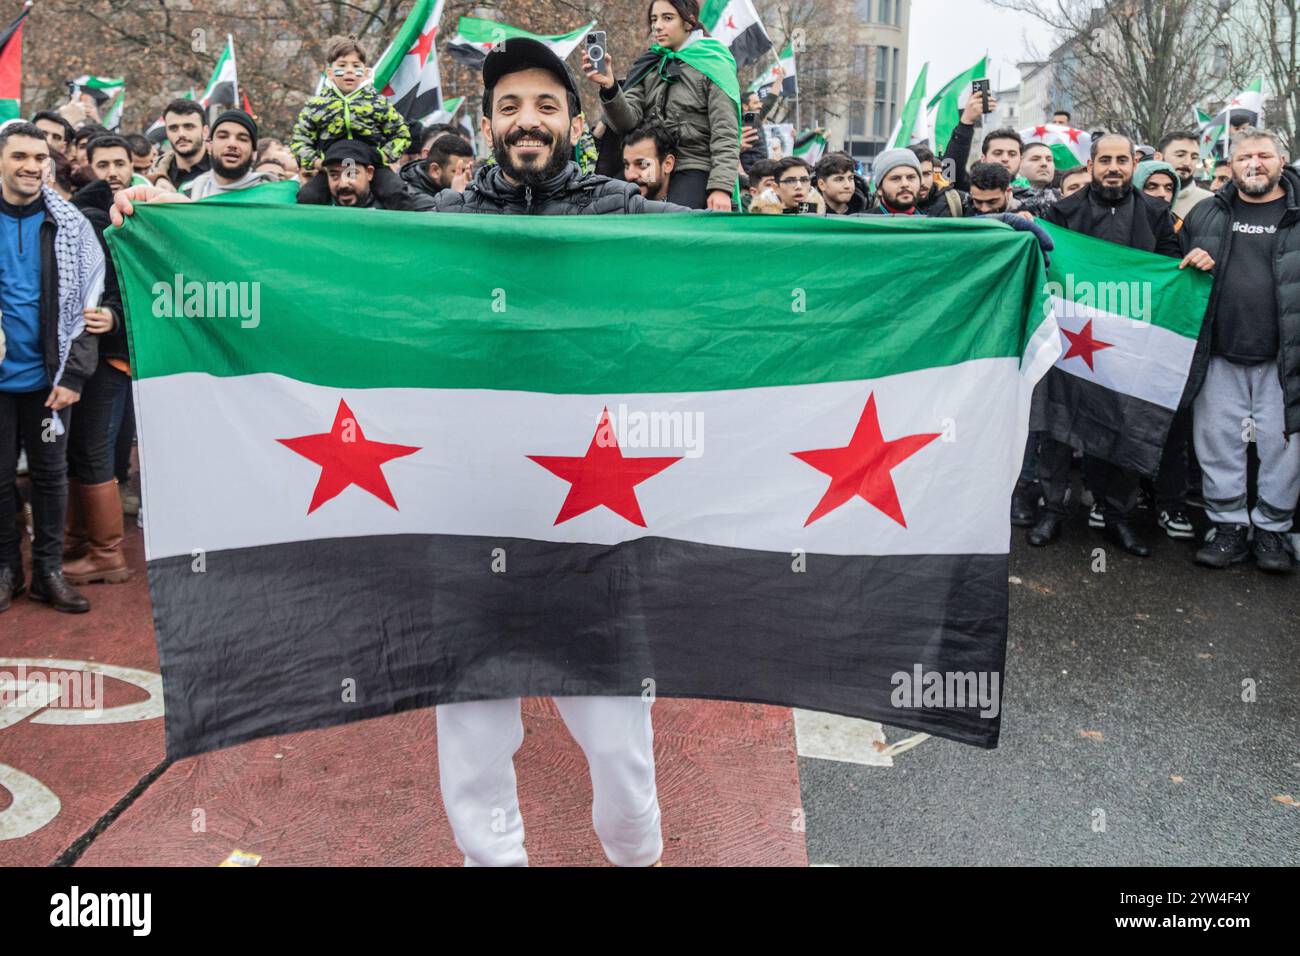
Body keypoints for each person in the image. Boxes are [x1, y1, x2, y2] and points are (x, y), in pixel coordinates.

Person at [1031, 133, 1182, 557]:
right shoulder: (1062, 212)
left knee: (1122, 425)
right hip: (1069, 338)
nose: (1113, 168)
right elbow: (1044, 263)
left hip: (1128, 341)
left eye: (1122, 160)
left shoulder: (1156, 214)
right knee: (1056, 425)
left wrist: (1196, 261)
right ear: (1092, 164)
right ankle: (1053, 510)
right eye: (1105, 161)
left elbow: (1173, 266)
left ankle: (1117, 517)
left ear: (1134, 164)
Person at [1181, 129, 1300, 572]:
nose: (1255, 163)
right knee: (1217, 443)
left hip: (1286, 358)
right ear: (1230, 165)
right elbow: (1172, 267)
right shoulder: (1205, 213)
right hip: (1218, 350)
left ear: (1281, 160)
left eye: (1264, 155)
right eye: (1245, 156)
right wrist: (1191, 259)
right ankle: (1228, 526)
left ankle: (1272, 530)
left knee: (1284, 446)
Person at [0, 123, 100, 614]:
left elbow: (89, 303)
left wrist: (75, 376)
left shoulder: (72, 225)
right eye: (20, 156)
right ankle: (6, 570)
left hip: (49, 380)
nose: (31, 166)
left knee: (50, 476)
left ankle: (48, 573)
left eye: (40, 157)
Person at [583, 0, 740, 210]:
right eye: (654, 19)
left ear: (689, 21)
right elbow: (627, 123)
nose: (657, 26)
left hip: (692, 164)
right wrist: (610, 87)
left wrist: (721, 188)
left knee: (675, 223)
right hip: (649, 165)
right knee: (607, 206)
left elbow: (726, 133)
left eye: (667, 18)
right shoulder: (650, 63)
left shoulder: (714, 64)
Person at [65, 141, 131, 586]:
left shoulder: (155, 214)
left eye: (118, 163)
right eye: (102, 163)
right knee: (81, 447)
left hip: (117, 357)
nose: (110, 171)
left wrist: (115, 318)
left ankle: (107, 554)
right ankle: (75, 539)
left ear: (134, 166)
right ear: (90, 166)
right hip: (85, 353)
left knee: (94, 449)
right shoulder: (80, 215)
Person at [290, 34, 411, 205]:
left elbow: (401, 134)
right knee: (308, 197)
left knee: (397, 193)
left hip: (372, 167)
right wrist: (317, 163)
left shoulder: (377, 102)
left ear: (365, 72)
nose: (349, 70)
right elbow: (299, 141)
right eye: (342, 65)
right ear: (330, 73)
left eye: (356, 66)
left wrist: (382, 156)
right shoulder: (316, 105)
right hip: (332, 169)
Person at [302, 139, 437, 210]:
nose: (343, 184)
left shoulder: (403, 200)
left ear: (370, 173)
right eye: (334, 175)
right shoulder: (313, 205)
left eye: (352, 174)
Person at [182, 110, 270, 199]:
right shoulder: (187, 195)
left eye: (242, 139)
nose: (232, 144)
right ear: (209, 147)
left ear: (254, 153)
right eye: (223, 136)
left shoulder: (271, 197)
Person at [979, 128, 1056, 214]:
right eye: (998, 153)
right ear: (983, 159)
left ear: (1020, 159)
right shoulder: (969, 191)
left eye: (1012, 154)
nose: (1005, 159)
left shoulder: (1050, 201)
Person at [399, 132, 474, 202]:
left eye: (469, 170)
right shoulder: (412, 198)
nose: (468, 178)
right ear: (435, 170)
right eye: (460, 171)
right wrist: (457, 197)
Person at [153, 99, 210, 191]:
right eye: (173, 128)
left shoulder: (226, 170)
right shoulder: (154, 178)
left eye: (189, 126)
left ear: (205, 132)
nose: (181, 134)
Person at [1155, 130, 1212, 220]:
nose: (1187, 162)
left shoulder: (1209, 202)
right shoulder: (1138, 198)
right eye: (1180, 155)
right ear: (1158, 157)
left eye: (1194, 157)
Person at [738, 64, 783, 171]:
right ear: (745, 106)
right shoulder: (734, 121)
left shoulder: (757, 117)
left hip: (762, 169)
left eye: (760, 102)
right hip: (746, 171)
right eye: (756, 103)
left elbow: (771, 99)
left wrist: (780, 78)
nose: (760, 105)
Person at [622, 121, 678, 201]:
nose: (630, 176)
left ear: (667, 164)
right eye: (626, 165)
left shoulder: (689, 208)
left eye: (642, 164)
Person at [911, 144, 971, 217]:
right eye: (914, 176)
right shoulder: (895, 206)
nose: (922, 182)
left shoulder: (959, 201)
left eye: (927, 174)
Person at [868, 149, 922, 215]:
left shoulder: (932, 221)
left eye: (911, 177)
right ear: (879, 189)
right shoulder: (862, 223)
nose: (905, 184)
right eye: (895, 178)